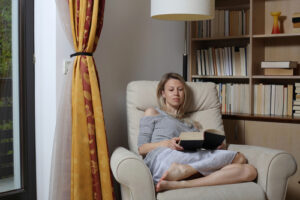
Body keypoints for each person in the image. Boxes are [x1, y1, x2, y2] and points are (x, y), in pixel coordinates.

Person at [137, 72, 257, 192]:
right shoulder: (153, 112)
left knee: (247, 167)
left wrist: (216, 146)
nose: (176, 93)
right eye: (171, 89)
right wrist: (167, 143)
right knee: (237, 162)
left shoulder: (192, 124)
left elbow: (199, 150)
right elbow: (141, 149)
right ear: (163, 93)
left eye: (180, 89)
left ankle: (181, 181)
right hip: (164, 158)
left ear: (184, 93)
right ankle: (182, 171)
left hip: (189, 159)